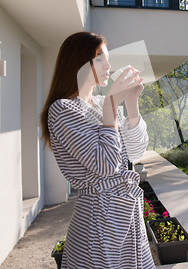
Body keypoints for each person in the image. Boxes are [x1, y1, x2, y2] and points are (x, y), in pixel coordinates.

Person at [40, 31, 155, 269]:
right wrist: (112, 107)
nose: (108, 65)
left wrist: (131, 104)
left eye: (108, 57)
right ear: (78, 62)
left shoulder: (103, 104)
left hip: (126, 212)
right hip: (99, 216)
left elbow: (134, 152)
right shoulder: (62, 109)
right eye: (99, 57)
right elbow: (105, 165)